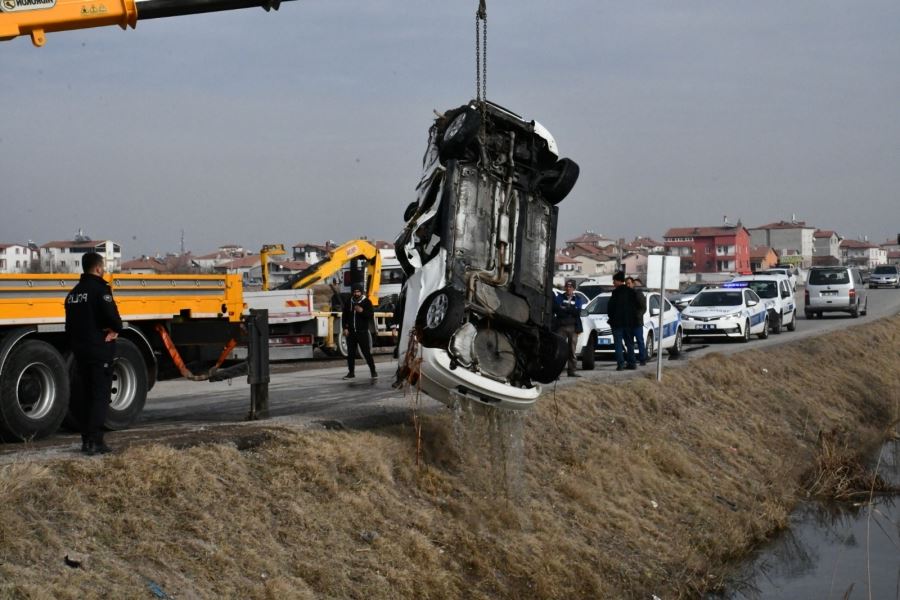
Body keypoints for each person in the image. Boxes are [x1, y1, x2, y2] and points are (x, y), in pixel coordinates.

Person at [64, 252, 122, 455]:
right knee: (100, 395)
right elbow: (115, 321)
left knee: (85, 395)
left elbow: (68, 327)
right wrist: (111, 329)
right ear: (98, 268)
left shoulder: (73, 294)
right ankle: (95, 441)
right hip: (99, 350)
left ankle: (85, 440)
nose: (104, 270)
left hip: (80, 351)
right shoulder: (100, 290)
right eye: (103, 267)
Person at [342, 284, 377, 380]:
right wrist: (345, 328)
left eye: (358, 291)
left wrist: (362, 311)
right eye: (354, 292)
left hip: (362, 332)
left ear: (361, 292)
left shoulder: (366, 302)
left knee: (366, 353)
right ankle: (351, 372)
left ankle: (373, 371)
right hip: (351, 333)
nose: (356, 293)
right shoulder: (349, 302)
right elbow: (344, 316)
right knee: (351, 353)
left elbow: (370, 315)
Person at [606, 271, 637, 371]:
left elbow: (610, 308)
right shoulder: (631, 292)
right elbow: (635, 308)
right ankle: (632, 363)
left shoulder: (615, 293)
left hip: (617, 324)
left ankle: (621, 364)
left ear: (619, 281)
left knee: (618, 344)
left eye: (614, 281)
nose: (613, 283)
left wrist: (611, 319)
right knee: (629, 343)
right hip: (629, 323)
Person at [553, 279, 584, 377]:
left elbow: (577, 312)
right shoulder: (559, 297)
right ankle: (556, 372)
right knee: (558, 350)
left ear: (574, 288)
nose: (568, 288)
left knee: (572, 350)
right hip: (561, 327)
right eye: (567, 286)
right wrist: (570, 309)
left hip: (573, 327)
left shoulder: (578, 298)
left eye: (570, 287)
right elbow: (557, 310)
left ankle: (572, 371)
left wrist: (565, 308)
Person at [626, 277, 647, 366]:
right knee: (629, 342)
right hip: (628, 323)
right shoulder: (625, 294)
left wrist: (638, 315)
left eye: (629, 283)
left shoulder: (638, 294)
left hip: (637, 322)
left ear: (633, 284)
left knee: (640, 341)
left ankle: (642, 359)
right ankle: (631, 360)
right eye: (626, 283)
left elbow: (643, 307)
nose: (628, 285)